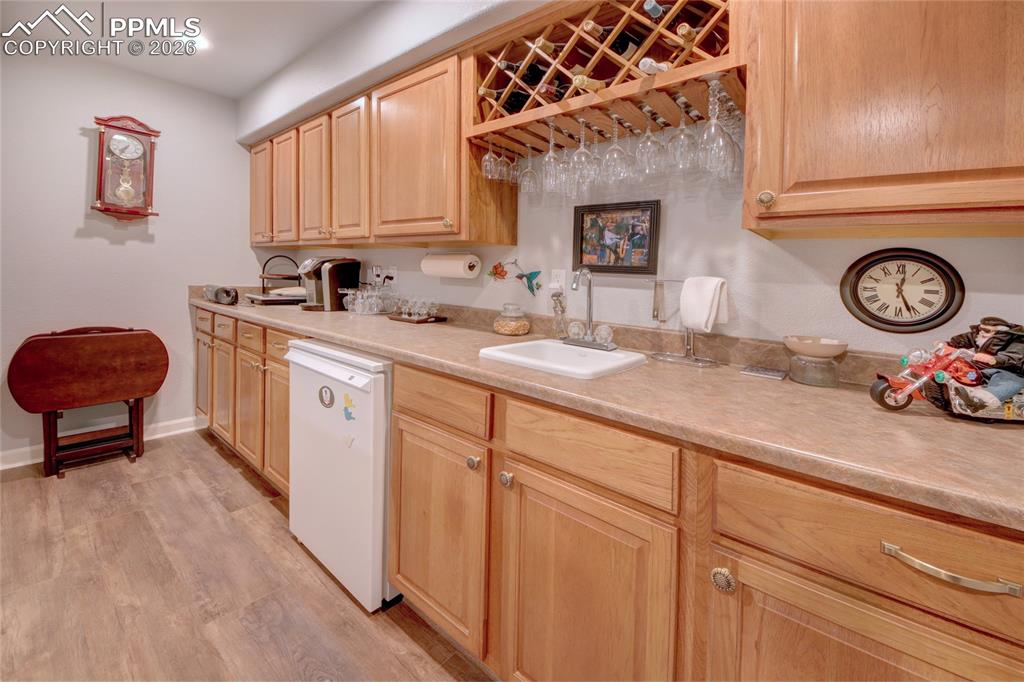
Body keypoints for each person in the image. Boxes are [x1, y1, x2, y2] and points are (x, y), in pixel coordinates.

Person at [945, 316, 1024, 413]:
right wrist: (947, 344)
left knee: (1009, 381)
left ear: (1000, 333)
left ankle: (981, 401)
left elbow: (1014, 356)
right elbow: (965, 338)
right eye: (980, 329)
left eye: (986, 330)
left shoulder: (1018, 340)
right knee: (969, 373)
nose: (981, 332)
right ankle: (957, 389)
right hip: (984, 369)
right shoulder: (979, 335)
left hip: (1012, 372)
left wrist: (993, 359)